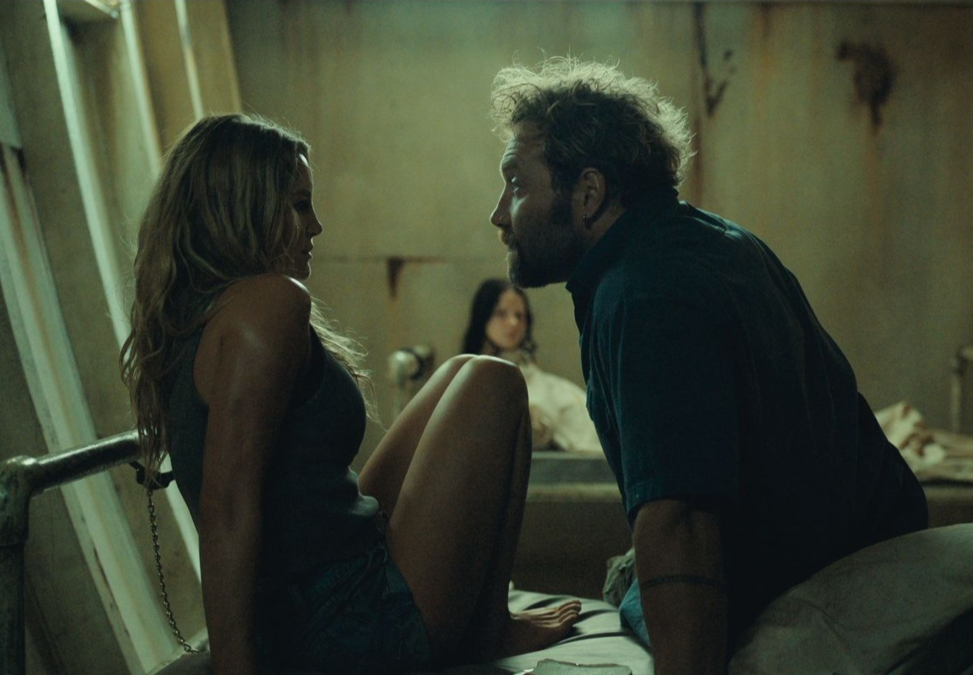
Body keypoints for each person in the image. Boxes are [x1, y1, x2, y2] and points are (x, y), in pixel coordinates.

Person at [486, 58, 927, 674]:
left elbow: (683, 520)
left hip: (834, 589)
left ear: (588, 193)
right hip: (876, 550)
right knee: (629, 577)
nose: (499, 214)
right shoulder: (712, 242)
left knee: (635, 581)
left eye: (516, 183)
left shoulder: (642, 294)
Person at [121, 114, 581, 675]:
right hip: (340, 626)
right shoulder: (268, 305)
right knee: (496, 381)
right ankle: (488, 629)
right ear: (243, 209)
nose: (316, 226)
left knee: (463, 370)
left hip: (317, 600)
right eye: (299, 206)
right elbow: (228, 510)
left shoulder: (202, 313)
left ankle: (489, 624)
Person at [462, 278, 601, 455]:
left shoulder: (546, 386)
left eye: (519, 316)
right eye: (501, 313)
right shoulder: (464, 376)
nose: (513, 323)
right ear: (483, 316)